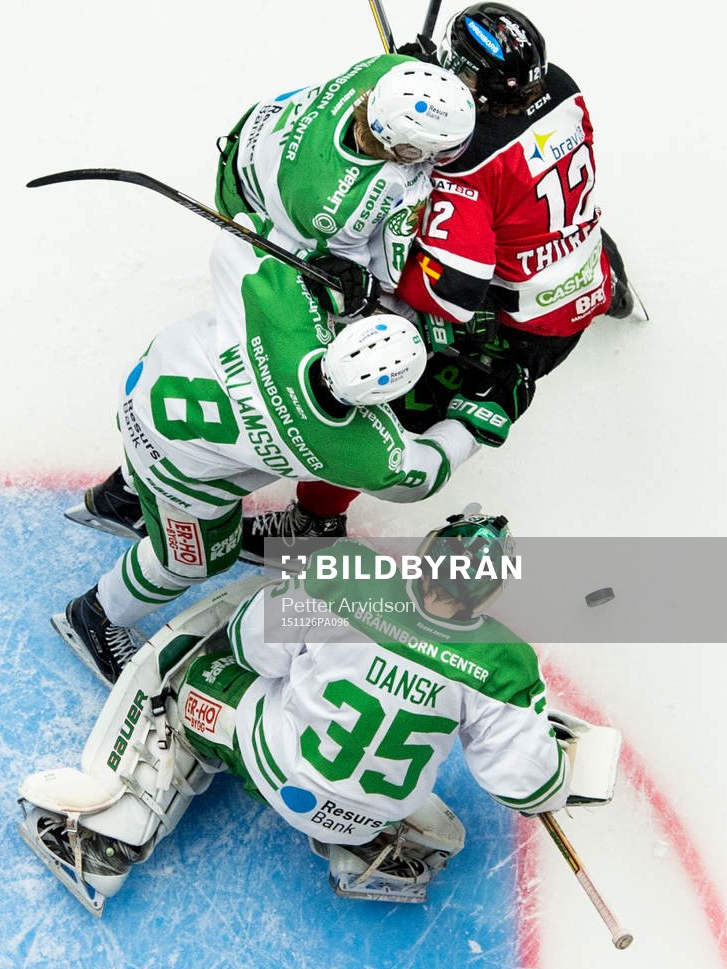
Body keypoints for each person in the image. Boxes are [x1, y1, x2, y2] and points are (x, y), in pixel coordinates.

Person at [18, 514, 621, 913]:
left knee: (191, 671)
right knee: (403, 783)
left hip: (279, 769)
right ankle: (374, 857)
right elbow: (528, 783)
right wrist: (547, 752)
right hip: (366, 816)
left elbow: (252, 646)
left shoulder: (350, 584)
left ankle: (105, 842)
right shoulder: (503, 661)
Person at [240, 3, 636, 558]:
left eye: (458, 68)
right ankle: (608, 285)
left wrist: (372, 287)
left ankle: (311, 522)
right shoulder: (562, 86)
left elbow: (452, 290)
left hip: (523, 328)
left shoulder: (465, 160)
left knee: (383, 388)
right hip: (581, 264)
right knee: (545, 227)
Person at [57, 218, 489, 684]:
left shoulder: (279, 302)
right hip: (175, 467)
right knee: (196, 559)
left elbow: (238, 234)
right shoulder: (357, 448)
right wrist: (476, 420)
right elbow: (424, 472)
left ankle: (120, 497)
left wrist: (318, 268)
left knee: (197, 438)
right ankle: (96, 616)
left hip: (147, 384)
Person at [214, 53, 475, 318]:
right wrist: (353, 281)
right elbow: (366, 284)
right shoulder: (334, 205)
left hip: (269, 125)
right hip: (247, 194)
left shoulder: (393, 67)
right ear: (407, 151)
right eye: (444, 149)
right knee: (349, 301)